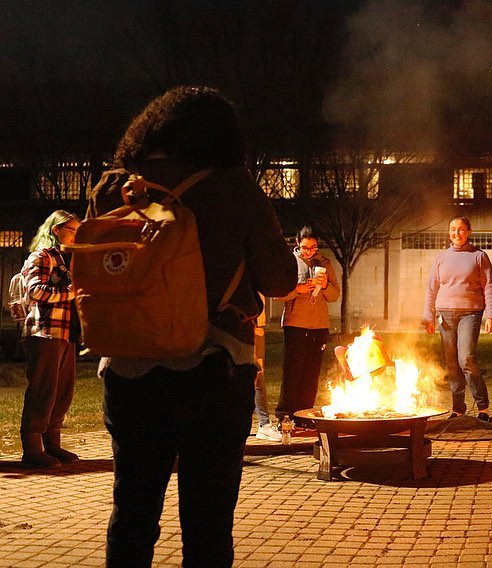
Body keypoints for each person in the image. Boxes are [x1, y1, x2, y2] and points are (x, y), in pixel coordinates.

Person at [89, 86, 297, 567]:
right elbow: (279, 279)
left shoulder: (112, 186)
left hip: (128, 370)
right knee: (207, 523)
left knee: (132, 514)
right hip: (214, 368)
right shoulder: (233, 186)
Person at [19, 210, 81, 469]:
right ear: (56, 229)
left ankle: (52, 443)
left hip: (66, 333)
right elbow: (35, 291)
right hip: (45, 331)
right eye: (72, 229)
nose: (76, 235)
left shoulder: (69, 259)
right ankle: (32, 448)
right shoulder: (43, 256)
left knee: (62, 391)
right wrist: (72, 291)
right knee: (43, 389)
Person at [422, 216, 492, 421]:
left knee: (466, 358)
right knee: (451, 362)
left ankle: (483, 408)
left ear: (469, 232)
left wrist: (491, 315)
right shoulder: (440, 258)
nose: (457, 233)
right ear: (449, 233)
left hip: (470, 313)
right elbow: (432, 287)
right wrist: (427, 316)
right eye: (453, 229)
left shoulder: (479, 256)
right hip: (444, 314)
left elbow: (489, 286)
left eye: (462, 229)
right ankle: (458, 408)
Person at [275, 226, 340, 430]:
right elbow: (278, 294)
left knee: (311, 372)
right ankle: (286, 416)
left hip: (319, 325)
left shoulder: (324, 263)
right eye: (305, 247)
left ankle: (305, 414)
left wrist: (325, 284)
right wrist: (298, 290)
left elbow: (334, 295)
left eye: (313, 247)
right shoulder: (290, 262)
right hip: (295, 323)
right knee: (293, 370)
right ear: (297, 244)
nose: (309, 251)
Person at [253, 296, 281, 441]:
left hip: (256, 322)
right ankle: (264, 424)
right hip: (241, 320)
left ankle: (264, 424)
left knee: (258, 373)